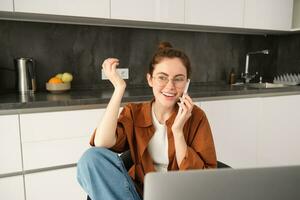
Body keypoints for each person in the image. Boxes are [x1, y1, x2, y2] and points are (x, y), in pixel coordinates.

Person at [77, 42, 217, 200]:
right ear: (150, 79)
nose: (170, 86)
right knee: (91, 158)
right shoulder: (135, 112)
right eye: (162, 78)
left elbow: (204, 179)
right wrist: (118, 88)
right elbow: (102, 142)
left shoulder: (197, 117)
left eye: (178, 79)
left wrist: (178, 132)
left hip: (180, 195)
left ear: (186, 83)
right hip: (137, 195)